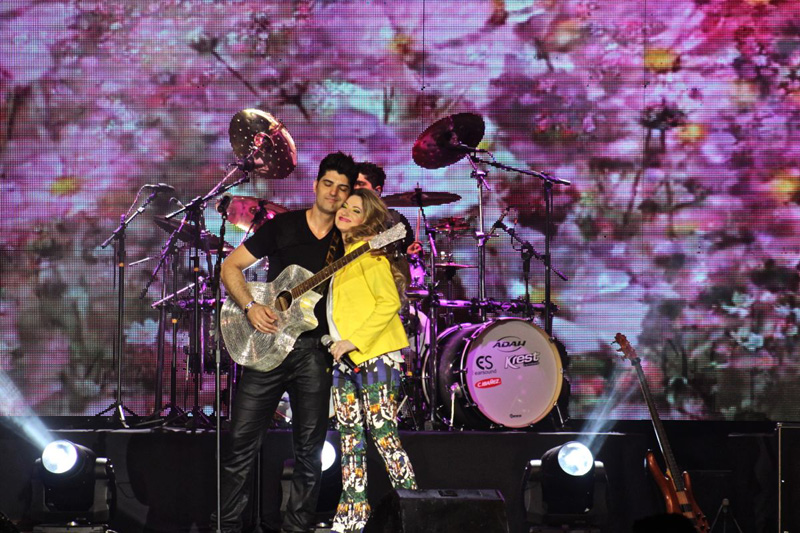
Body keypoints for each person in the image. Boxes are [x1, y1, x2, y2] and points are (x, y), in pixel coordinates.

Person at [215, 152, 358, 533]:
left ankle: (297, 528)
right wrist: (250, 307)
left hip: (314, 353)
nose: (333, 193)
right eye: (328, 184)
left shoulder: (348, 240)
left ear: (348, 196)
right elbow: (230, 266)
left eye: (342, 188)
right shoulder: (283, 226)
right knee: (239, 445)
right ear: (316, 185)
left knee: (311, 453)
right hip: (266, 348)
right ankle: (227, 526)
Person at [324, 188, 418, 533]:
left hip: (376, 355)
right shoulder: (341, 258)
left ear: (368, 220)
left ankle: (413, 510)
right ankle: (352, 518)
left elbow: (389, 302)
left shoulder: (371, 255)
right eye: (345, 206)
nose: (346, 212)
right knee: (350, 439)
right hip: (344, 360)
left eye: (356, 210)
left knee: (382, 434)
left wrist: (356, 341)